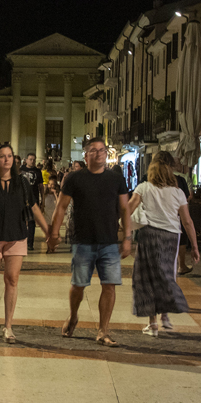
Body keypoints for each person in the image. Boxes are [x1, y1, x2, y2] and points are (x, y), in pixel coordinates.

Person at [47, 138, 131, 347]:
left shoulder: (116, 179)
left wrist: (127, 237)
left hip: (109, 241)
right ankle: (74, 315)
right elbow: (61, 207)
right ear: (86, 156)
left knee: (109, 286)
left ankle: (103, 330)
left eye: (102, 150)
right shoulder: (75, 178)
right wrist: (54, 233)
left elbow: (125, 209)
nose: (99, 153)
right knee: (78, 285)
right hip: (83, 241)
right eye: (94, 150)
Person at [0, 143, 51, 344]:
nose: (6, 159)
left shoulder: (21, 183)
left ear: (14, 159)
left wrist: (49, 231)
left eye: (10, 156)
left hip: (16, 236)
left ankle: (8, 326)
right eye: (2, 156)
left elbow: (33, 209)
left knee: (12, 280)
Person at [128, 153, 200, 336]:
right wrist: (195, 246)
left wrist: (122, 230)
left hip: (148, 235)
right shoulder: (178, 193)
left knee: (148, 277)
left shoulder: (143, 188)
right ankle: (166, 316)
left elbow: (128, 208)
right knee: (167, 274)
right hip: (171, 237)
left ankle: (152, 323)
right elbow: (188, 222)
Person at [20, 153, 44, 250]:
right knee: (21, 221)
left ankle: (30, 243)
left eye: (34, 159)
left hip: (33, 199)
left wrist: (43, 199)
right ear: (26, 160)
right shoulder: (21, 170)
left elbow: (41, 187)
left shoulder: (38, 171)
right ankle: (21, 241)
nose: (32, 161)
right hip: (21, 199)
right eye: (30, 159)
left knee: (31, 222)